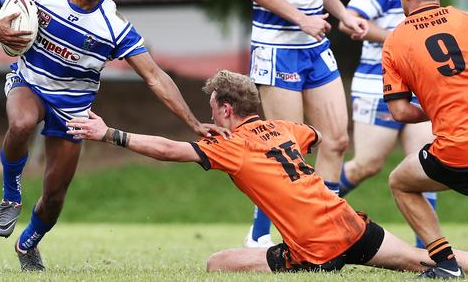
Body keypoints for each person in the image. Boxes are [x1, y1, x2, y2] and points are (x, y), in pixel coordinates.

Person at [67, 70, 468, 276]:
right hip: (349, 224)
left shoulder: (234, 145)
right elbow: (316, 134)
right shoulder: (285, 130)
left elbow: (171, 150)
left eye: (212, 107)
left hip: (314, 248)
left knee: (216, 263)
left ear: (226, 109)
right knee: (425, 259)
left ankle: (315, 262)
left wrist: (110, 135)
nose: (210, 114)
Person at [0, 0, 225, 271]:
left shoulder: (113, 27)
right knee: (21, 123)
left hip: (74, 109)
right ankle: (11, 197)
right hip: (30, 83)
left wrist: (194, 123)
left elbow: (155, 76)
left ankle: (27, 245)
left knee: (54, 197)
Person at [239, 0, 368, 248]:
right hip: (277, 48)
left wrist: (344, 14)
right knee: (287, 149)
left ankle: (326, 229)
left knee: (337, 139)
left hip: (315, 49)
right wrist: (302, 19)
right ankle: (259, 234)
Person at [337, 0, 436, 248]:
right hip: (376, 87)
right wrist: (402, 38)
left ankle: (429, 252)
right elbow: (350, 20)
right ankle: (312, 211)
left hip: (417, 86)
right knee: (367, 165)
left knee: (426, 166)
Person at [386, 0, 468, 279]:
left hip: (453, 152)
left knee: (400, 182)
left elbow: (399, 111)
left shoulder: (395, 41)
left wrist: (434, 109)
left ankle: (445, 264)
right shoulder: (464, 20)